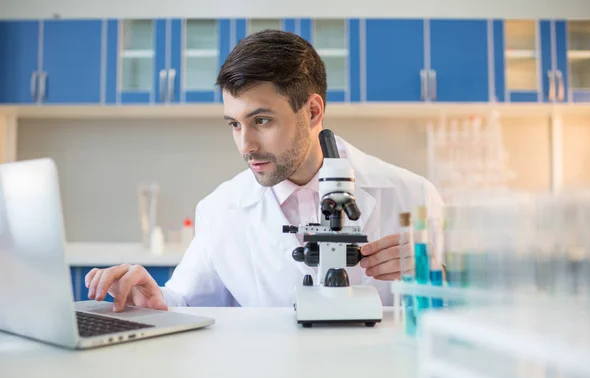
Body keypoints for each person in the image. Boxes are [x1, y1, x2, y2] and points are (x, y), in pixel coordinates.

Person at [84, 29, 444, 312]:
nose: (246, 146)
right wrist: (151, 300)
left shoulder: (413, 197)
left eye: (261, 120)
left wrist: (434, 274)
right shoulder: (219, 210)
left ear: (313, 112)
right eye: (234, 125)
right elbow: (183, 301)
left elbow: (468, 310)